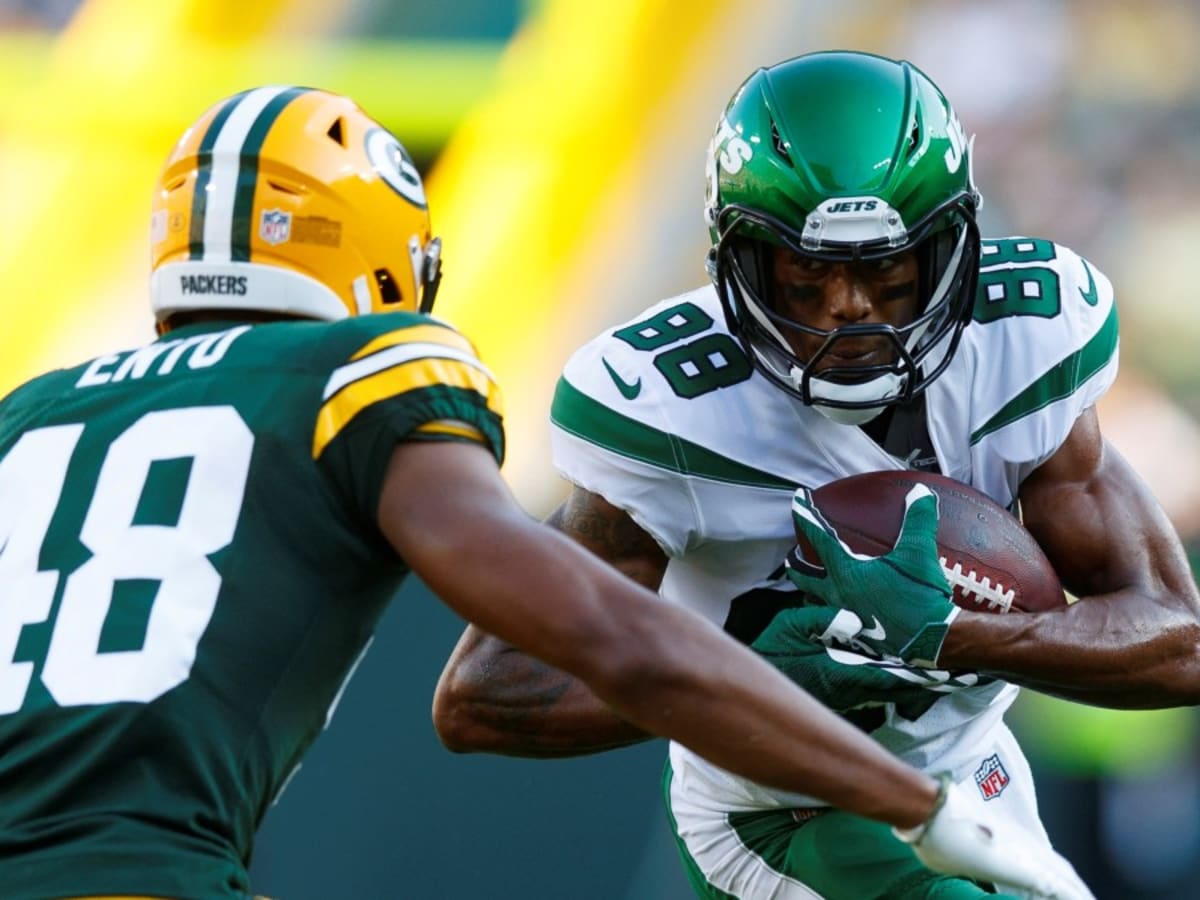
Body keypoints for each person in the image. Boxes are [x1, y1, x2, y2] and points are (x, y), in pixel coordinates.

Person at [0, 84, 1086, 900]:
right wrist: (922, 801)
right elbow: (617, 639)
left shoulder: (27, 415)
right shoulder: (364, 369)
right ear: (387, 264)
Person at [434, 50, 1200, 899]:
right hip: (784, 810)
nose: (847, 306)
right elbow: (486, 692)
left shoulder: (1025, 342)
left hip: (973, 774)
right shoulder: (673, 408)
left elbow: (1178, 639)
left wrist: (950, 637)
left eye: (885, 268)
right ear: (740, 263)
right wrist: (762, 674)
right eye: (806, 272)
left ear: (950, 250)